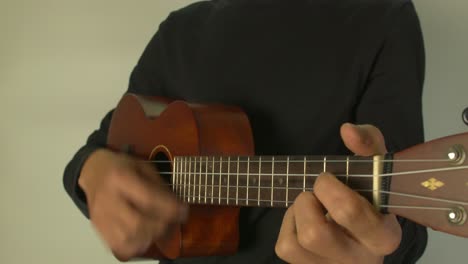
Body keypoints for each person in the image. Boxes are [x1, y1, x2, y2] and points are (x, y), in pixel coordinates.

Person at [63, 0, 428, 263]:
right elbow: (98, 151)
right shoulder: (179, 31)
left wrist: (380, 250)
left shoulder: (382, 16)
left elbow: (411, 212)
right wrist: (93, 173)